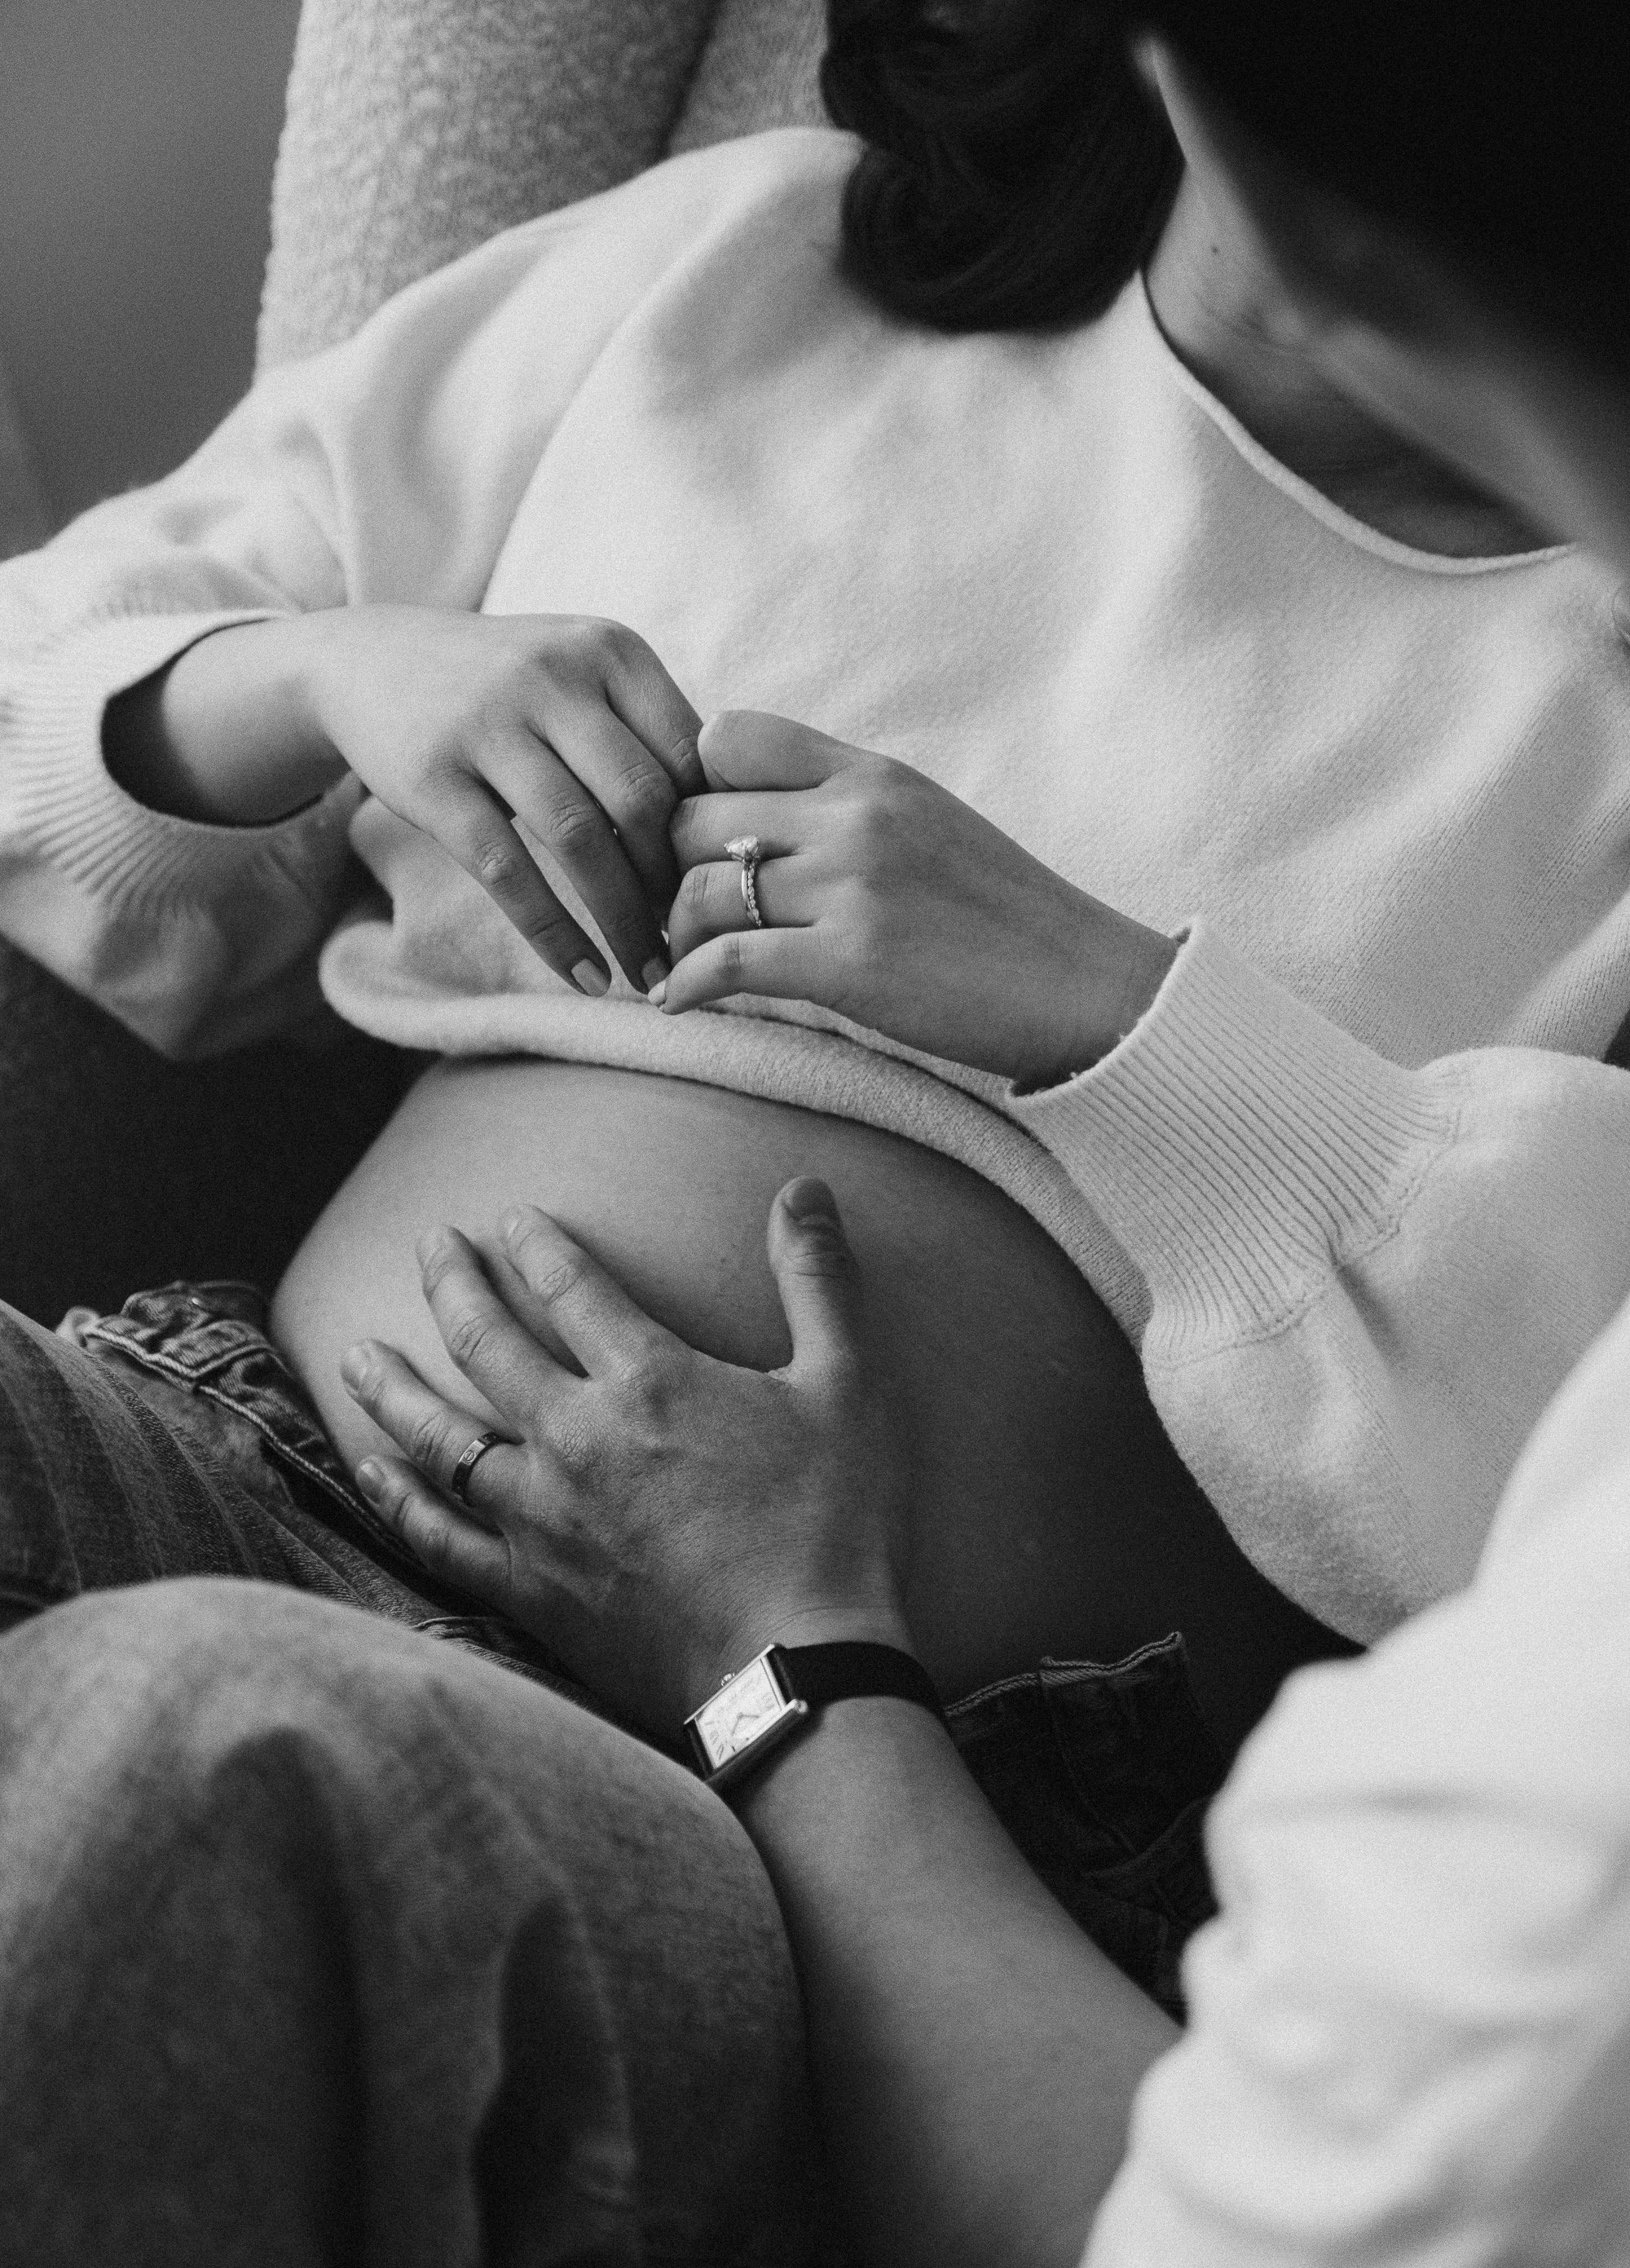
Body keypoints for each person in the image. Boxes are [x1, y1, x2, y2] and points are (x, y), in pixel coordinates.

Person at [3, 0, 1630, 1781]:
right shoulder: (737, 262)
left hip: (898, 1795)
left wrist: (1116, 1018)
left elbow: (1570, 1525)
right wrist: (310, 674)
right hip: (253, 1472)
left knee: (193, 1746)